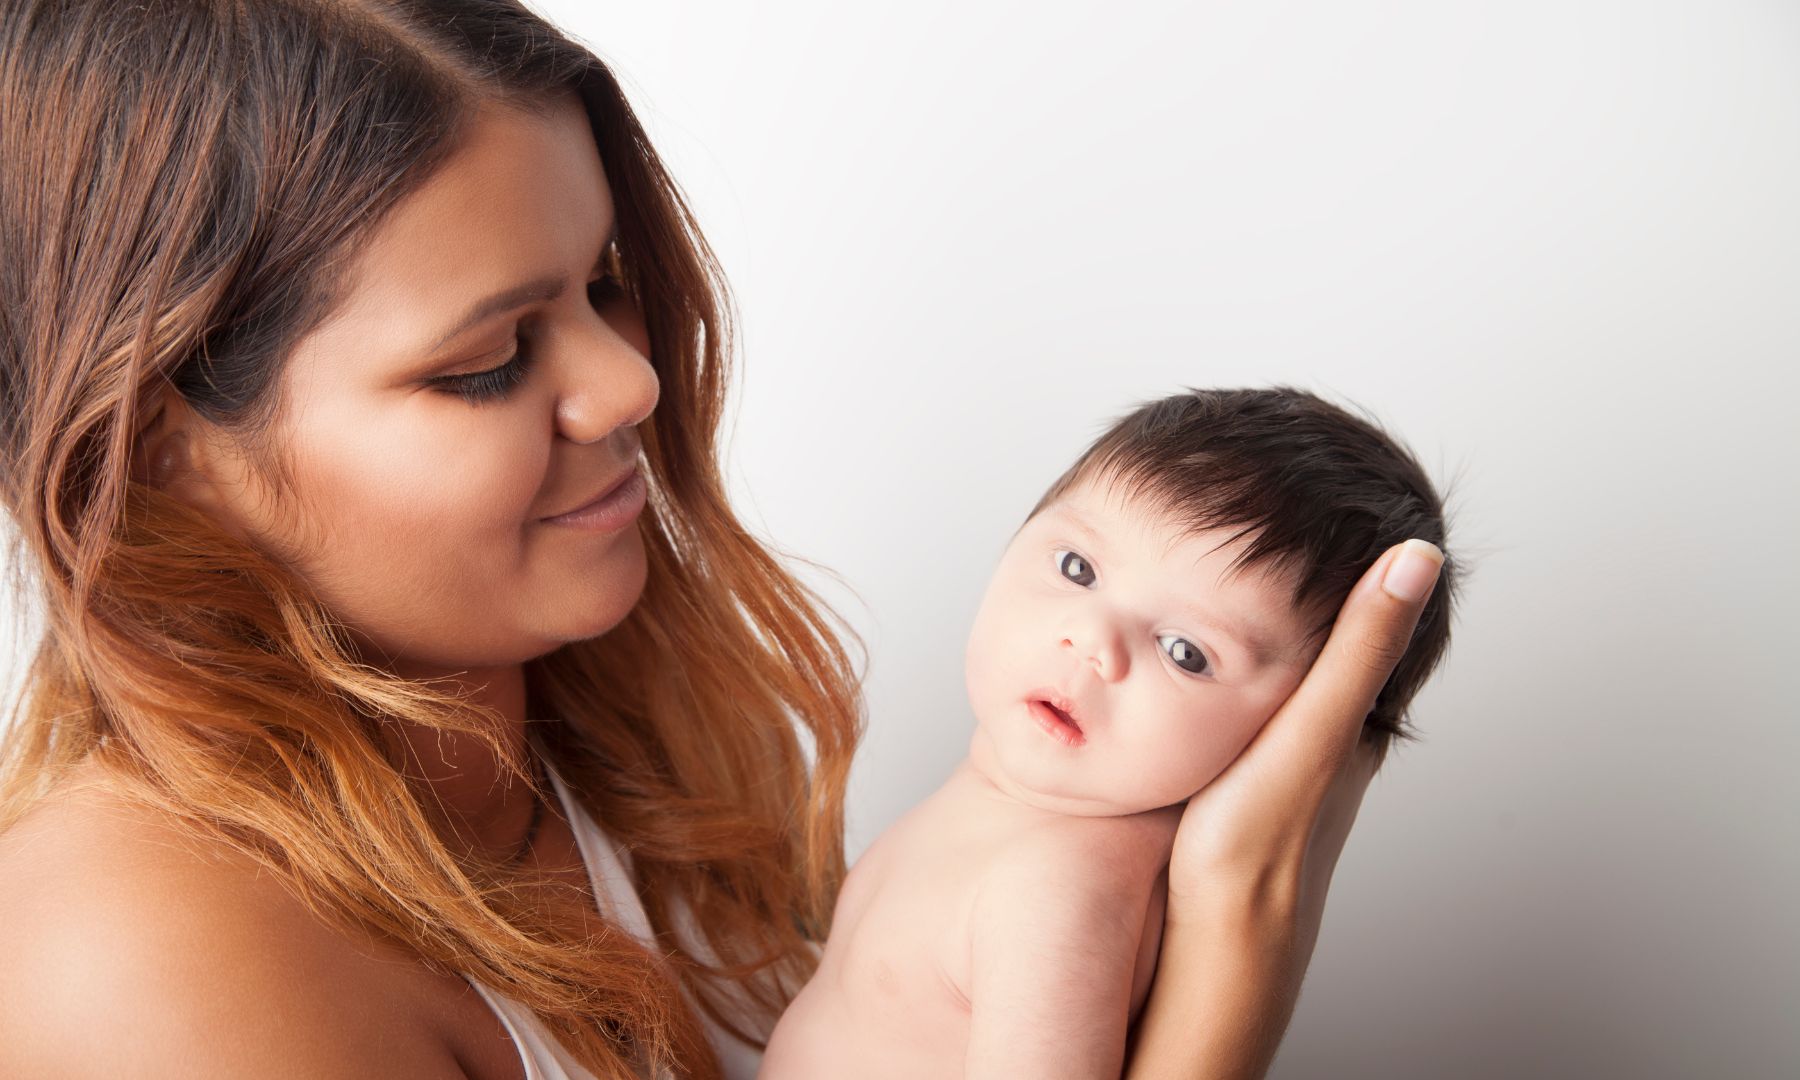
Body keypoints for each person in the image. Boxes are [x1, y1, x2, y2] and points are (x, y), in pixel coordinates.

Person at [0, 3, 1446, 1078]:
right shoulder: (138, 961)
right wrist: (1220, 1000)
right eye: (490, 358)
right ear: (164, 450)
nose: (632, 382)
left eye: (608, 284)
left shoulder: (591, 734)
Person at [759, 387, 1457, 1077]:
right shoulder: (1014, 794)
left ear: (1299, 739)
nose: (1092, 641)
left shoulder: (1058, 888)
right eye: (1078, 568)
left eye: (1186, 652)